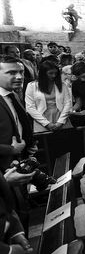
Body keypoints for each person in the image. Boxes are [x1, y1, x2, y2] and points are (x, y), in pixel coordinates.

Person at [0, 56, 37, 231]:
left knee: (23, 214)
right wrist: (11, 149)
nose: (19, 76)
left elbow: (19, 123)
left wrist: (29, 143)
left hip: (17, 166)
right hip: (4, 172)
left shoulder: (12, 95)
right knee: (12, 221)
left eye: (21, 72)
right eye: (11, 72)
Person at [24, 60, 72, 132]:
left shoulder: (62, 85)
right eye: (50, 73)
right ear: (43, 74)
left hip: (61, 117)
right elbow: (30, 107)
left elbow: (68, 103)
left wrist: (60, 122)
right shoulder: (32, 86)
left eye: (55, 73)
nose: (54, 75)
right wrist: (46, 123)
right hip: (41, 119)